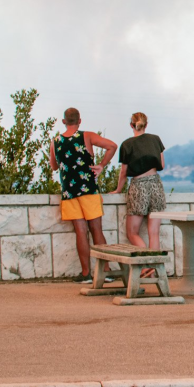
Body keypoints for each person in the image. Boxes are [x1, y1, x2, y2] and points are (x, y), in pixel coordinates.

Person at [49, 108, 117, 283]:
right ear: (80, 121)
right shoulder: (86, 136)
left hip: (69, 193)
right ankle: (105, 272)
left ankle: (86, 273)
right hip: (89, 190)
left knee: (80, 232)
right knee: (96, 230)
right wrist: (101, 165)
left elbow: (54, 166)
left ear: (63, 122)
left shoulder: (55, 141)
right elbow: (112, 146)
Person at [112, 113, 166, 264]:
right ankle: (154, 266)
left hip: (139, 186)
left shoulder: (127, 144)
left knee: (132, 232)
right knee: (154, 233)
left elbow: (123, 172)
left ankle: (146, 263)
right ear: (146, 125)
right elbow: (161, 165)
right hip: (156, 184)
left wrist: (118, 190)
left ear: (131, 125)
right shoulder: (156, 139)